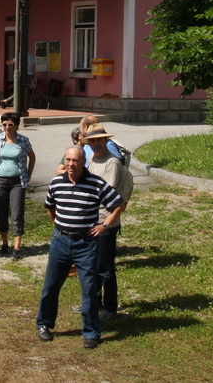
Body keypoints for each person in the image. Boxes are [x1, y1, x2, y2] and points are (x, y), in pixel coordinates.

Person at [36, 145, 125, 349]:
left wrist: (104, 225)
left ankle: (91, 333)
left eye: (75, 161)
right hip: (60, 241)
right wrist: (59, 226)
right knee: (50, 286)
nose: (70, 164)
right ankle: (44, 324)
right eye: (67, 160)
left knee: (90, 289)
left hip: (86, 244)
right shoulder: (57, 182)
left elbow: (119, 203)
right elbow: (50, 207)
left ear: (83, 162)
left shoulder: (95, 183)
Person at [78, 124, 134, 320]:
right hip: (90, 218)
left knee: (105, 267)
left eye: (99, 140)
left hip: (105, 220)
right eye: (92, 141)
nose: (95, 144)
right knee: (89, 265)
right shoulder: (91, 159)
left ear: (106, 141)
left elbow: (107, 192)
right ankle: (93, 302)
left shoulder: (112, 163)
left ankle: (110, 307)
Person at [0, 111, 36, 260]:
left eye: (10, 124)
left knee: (17, 214)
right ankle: (5, 243)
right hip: (0, 181)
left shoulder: (23, 140)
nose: (7, 127)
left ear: (16, 126)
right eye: (4, 124)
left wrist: (28, 174)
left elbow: (32, 157)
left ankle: (17, 248)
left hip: (17, 181)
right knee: (1, 213)